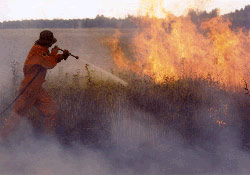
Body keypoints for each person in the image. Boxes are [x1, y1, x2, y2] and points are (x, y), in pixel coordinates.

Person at [0, 30, 70, 139]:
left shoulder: (43, 50)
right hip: (28, 89)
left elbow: (48, 59)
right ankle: (2, 140)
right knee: (17, 115)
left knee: (52, 110)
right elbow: (48, 63)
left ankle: (47, 140)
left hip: (36, 89)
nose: (52, 44)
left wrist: (61, 57)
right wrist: (55, 53)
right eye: (50, 42)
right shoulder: (37, 51)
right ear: (46, 42)